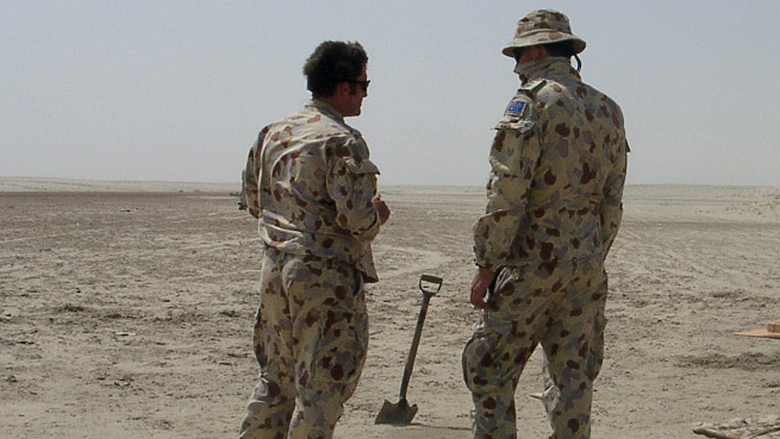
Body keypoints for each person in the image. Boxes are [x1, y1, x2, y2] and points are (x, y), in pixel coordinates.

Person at [462, 9, 629, 439]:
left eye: (519, 55)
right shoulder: (608, 109)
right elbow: (612, 203)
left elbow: (507, 194)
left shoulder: (534, 102)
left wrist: (487, 264)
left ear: (537, 48)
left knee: (490, 369)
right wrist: (590, 253)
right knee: (574, 379)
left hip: (530, 264)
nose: (515, 66)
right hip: (585, 266)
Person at [237, 40, 390, 439]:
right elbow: (358, 220)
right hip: (324, 279)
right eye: (363, 84)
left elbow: (254, 201)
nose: (365, 93)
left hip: (274, 271)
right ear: (344, 87)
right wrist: (378, 214)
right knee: (320, 389)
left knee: (275, 380)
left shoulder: (272, 133)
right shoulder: (342, 140)